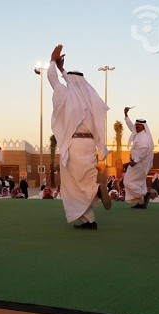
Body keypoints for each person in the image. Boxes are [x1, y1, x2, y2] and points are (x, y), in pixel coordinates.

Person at [48, 44, 112, 230]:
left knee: (72, 184)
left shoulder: (66, 94)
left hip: (74, 143)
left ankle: (95, 190)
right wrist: (62, 69)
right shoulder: (92, 97)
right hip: (90, 144)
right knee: (84, 180)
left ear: (70, 81)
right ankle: (89, 220)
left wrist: (53, 60)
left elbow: (52, 79)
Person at [123, 107, 154, 209]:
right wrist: (126, 115)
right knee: (138, 183)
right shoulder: (138, 133)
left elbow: (144, 150)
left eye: (139, 125)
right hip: (137, 162)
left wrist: (135, 161)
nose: (136, 127)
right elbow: (130, 126)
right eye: (136, 125)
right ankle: (139, 202)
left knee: (127, 181)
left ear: (144, 126)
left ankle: (144, 195)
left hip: (139, 163)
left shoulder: (144, 137)